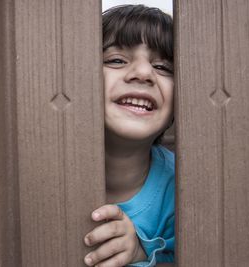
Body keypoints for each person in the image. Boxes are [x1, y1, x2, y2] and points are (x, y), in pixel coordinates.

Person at [83, 4, 175, 267]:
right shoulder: (41, 170)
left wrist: (141, 252)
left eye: (163, 67)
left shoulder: (182, 187)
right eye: (116, 60)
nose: (144, 73)